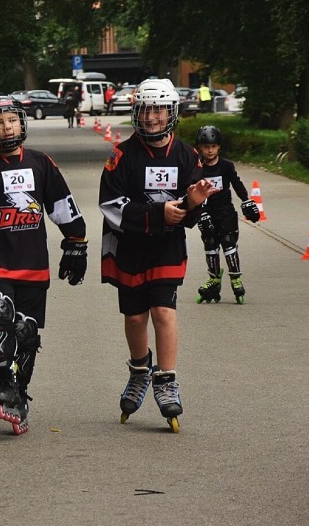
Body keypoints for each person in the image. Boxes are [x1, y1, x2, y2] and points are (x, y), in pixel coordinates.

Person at [0, 96, 88, 435]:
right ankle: (3, 383)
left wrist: (76, 244)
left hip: (33, 263)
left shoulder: (41, 164)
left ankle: (19, 394)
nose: (6, 127)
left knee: (25, 334)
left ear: (22, 123)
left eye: (11, 120)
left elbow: (62, 206)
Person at [98, 78, 218, 432]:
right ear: (136, 112)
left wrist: (194, 204)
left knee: (163, 311)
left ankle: (166, 381)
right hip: (129, 248)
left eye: (159, 110)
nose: (152, 117)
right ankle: (139, 370)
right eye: (145, 109)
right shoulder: (121, 155)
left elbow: (190, 210)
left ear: (171, 113)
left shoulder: (187, 156)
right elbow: (110, 205)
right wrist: (156, 214)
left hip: (166, 247)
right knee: (136, 318)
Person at [193, 126, 261, 304]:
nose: (209, 150)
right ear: (200, 147)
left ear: (219, 147)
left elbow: (236, 183)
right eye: (206, 146)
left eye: (213, 146)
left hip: (225, 211)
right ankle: (214, 279)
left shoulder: (226, 166)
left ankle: (235, 278)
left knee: (229, 243)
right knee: (210, 243)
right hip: (207, 212)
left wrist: (246, 200)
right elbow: (190, 190)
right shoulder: (197, 168)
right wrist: (197, 211)